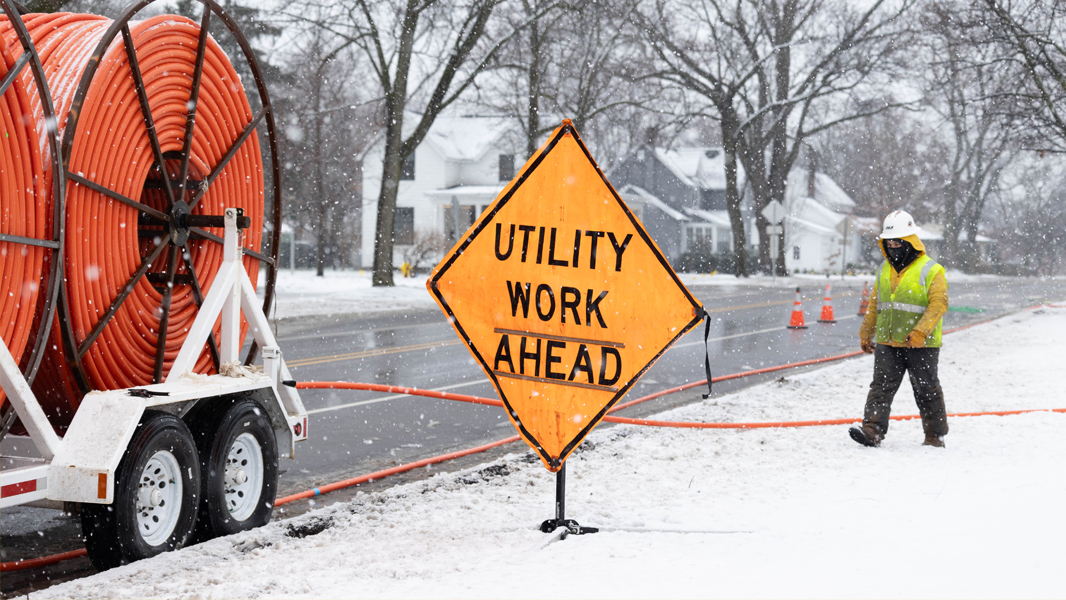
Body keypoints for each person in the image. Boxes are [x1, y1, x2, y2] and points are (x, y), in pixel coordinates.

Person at [850, 210, 949, 448]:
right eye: (889, 242)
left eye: (898, 242)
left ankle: (935, 436)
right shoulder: (884, 269)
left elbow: (939, 303)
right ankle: (872, 430)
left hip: (921, 344)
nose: (893, 246)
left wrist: (920, 332)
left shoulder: (931, 269)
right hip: (888, 341)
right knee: (881, 387)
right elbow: (876, 303)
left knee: (926, 389)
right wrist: (866, 332)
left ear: (910, 242)